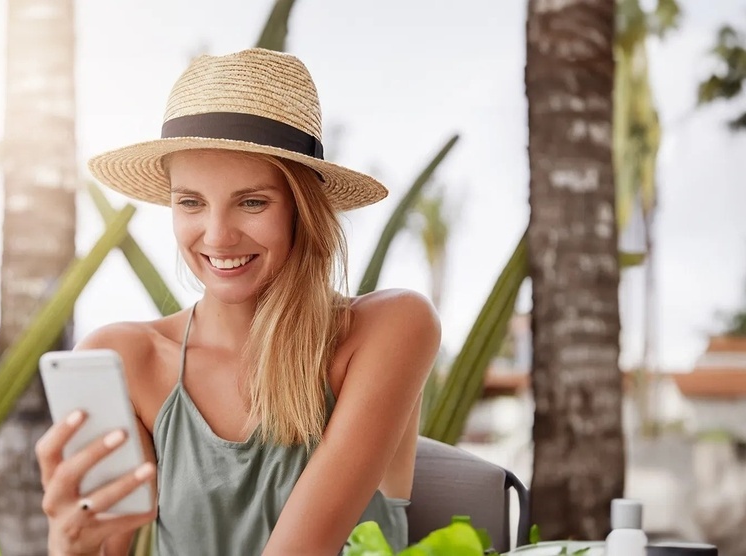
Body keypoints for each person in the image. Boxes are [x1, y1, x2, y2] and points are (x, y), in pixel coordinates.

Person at [34, 47, 441, 556]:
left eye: (252, 202)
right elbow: (105, 544)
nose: (218, 236)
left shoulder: (391, 329)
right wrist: (67, 544)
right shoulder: (126, 359)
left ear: (302, 209)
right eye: (190, 202)